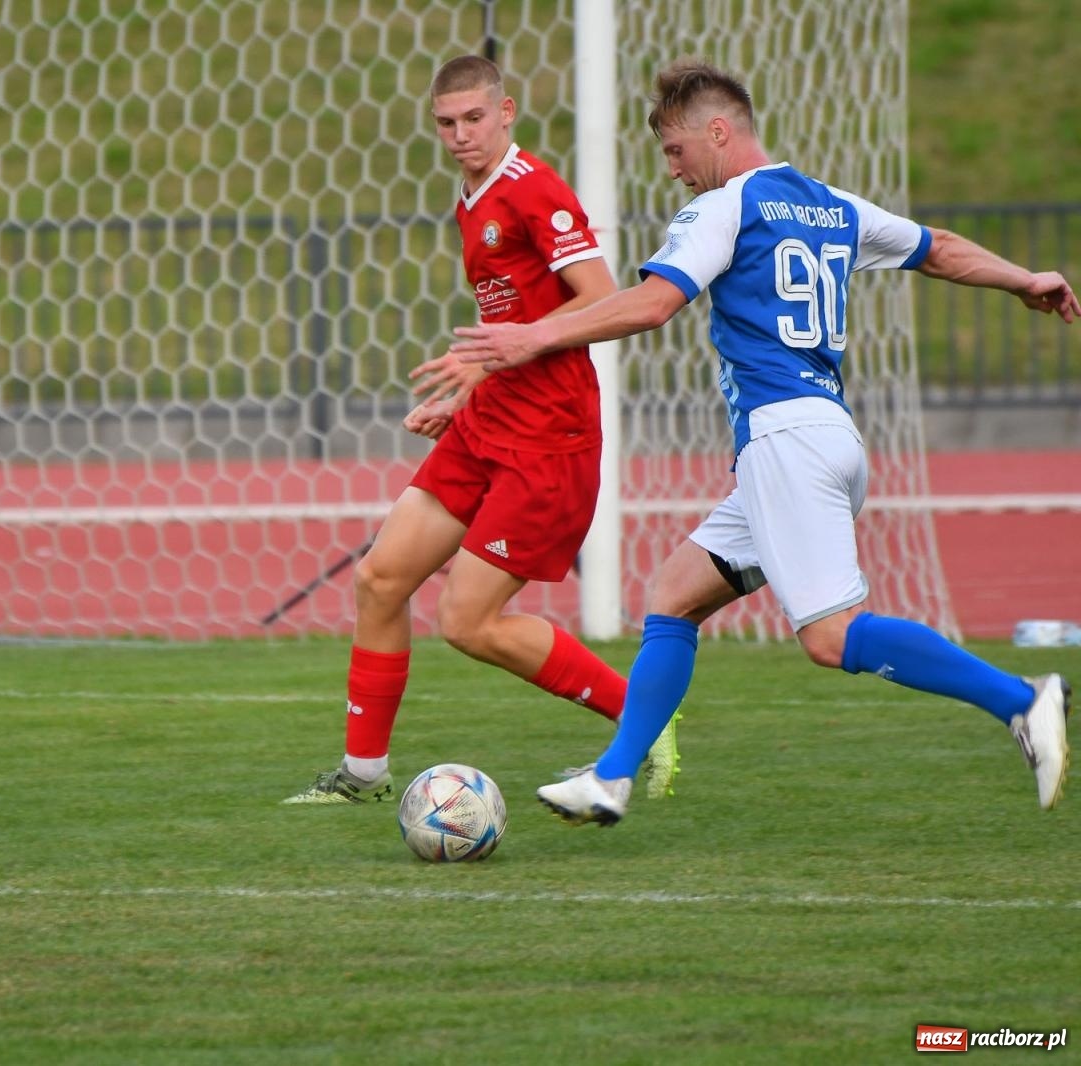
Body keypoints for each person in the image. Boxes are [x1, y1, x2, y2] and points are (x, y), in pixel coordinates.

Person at [451, 59, 1077, 825]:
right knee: (675, 596)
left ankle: (1022, 699)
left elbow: (652, 304)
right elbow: (936, 245)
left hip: (786, 441)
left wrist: (534, 336)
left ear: (719, 131)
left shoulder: (725, 205)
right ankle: (612, 777)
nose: (674, 171)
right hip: (827, 438)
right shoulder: (829, 203)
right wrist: (1023, 280)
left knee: (829, 636)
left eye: (677, 151)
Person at [283, 56, 680, 805]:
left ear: (507, 113)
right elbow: (508, 324)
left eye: (474, 118)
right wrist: (472, 387)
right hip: (492, 417)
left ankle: (642, 724)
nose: (460, 134)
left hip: (548, 436)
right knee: (381, 578)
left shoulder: (534, 190)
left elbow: (598, 298)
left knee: (467, 622)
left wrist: (495, 357)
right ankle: (362, 776)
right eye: (446, 123)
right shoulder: (470, 193)